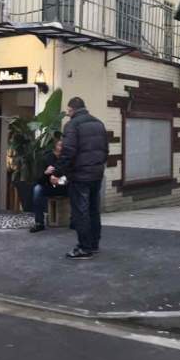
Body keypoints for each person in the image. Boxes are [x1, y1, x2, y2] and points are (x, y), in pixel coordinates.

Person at [53, 97, 108, 260]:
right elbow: (105, 149)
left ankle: (84, 248)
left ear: (72, 109)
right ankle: (94, 244)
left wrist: (57, 172)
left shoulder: (72, 125)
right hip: (96, 174)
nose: (68, 114)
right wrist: (98, 166)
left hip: (79, 175)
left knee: (80, 211)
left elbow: (68, 151)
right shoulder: (99, 123)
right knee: (93, 210)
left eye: (68, 111)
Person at [29, 135, 66, 233]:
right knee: (37, 189)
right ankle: (39, 223)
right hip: (49, 187)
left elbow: (72, 175)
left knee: (77, 187)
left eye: (64, 145)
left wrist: (60, 180)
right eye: (60, 145)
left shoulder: (67, 158)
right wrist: (46, 173)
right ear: (55, 147)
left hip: (65, 187)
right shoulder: (46, 158)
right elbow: (38, 179)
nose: (62, 147)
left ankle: (75, 221)